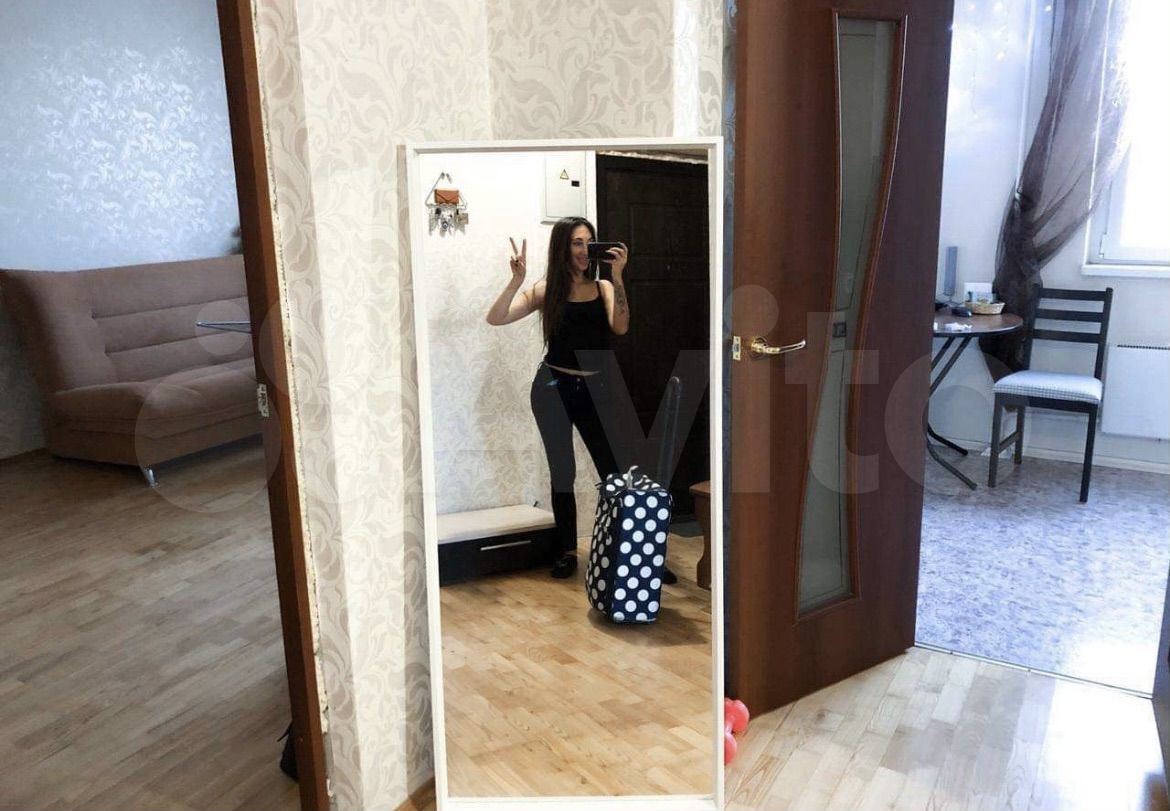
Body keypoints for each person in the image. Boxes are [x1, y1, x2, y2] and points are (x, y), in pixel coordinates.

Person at [485, 217, 629, 579]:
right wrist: (516, 281)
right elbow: (496, 318)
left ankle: (629, 547)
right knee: (563, 471)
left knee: (613, 470)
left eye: (589, 242)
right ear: (563, 247)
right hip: (552, 389)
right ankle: (566, 551)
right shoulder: (545, 291)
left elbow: (621, 326)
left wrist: (618, 277)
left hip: (596, 389)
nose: (584, 250)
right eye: (577, 242)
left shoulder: (603, 288)